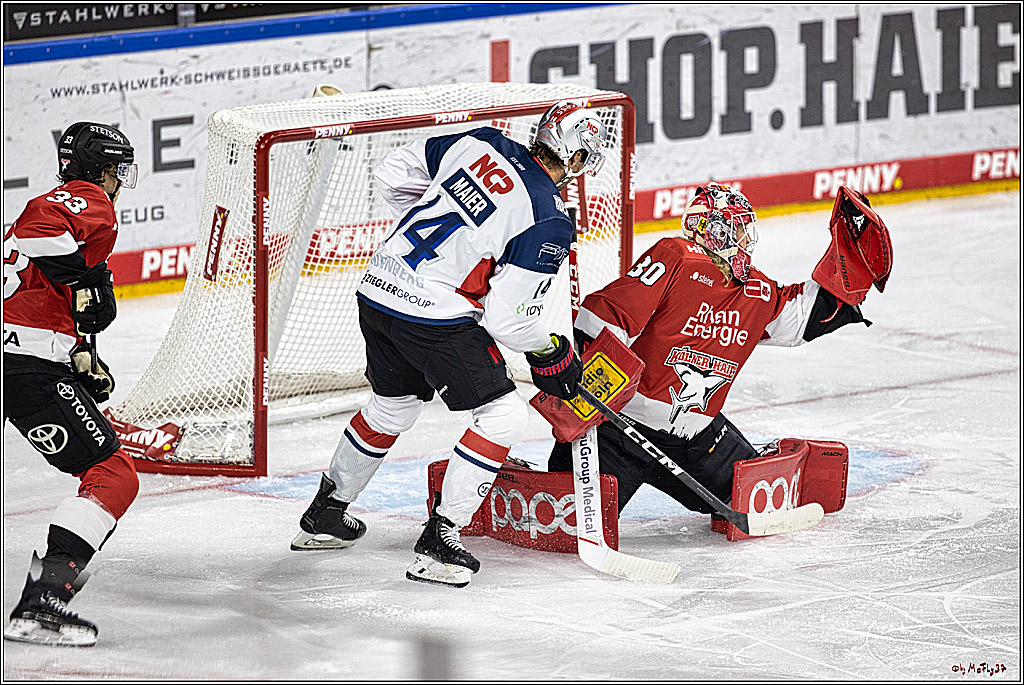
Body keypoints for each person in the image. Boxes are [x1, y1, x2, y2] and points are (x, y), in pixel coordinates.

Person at [290, 101, 609, 587]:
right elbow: (507, 320)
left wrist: (445, 242)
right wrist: (552, 350)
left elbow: (392, 172)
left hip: (379, 288)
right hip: (431, 316)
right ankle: (440, 541)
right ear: (578, 157)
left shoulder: (482, 142)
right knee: (503, 415)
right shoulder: (548, 217)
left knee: (392, 407)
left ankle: (326, 514)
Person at [548, 183, 881, 516]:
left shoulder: (757, 290)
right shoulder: (676, 256)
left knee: (752, 502)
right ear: (716, 230)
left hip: (694, 439)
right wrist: (587, 390)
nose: (748, 240)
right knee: (568, 518)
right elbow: (606, 315)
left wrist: (851, 265)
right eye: (740, 229)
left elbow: (803, 318)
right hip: (619, 430)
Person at [3, 122, 140, 646]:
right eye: (117, 170)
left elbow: (39, 288)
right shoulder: (86, 199)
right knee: (113, 474)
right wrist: (85, 278)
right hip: (24, 366)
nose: (120, 182)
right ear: (101, 169)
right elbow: (38, 227)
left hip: (26, 357)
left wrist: (78, 355)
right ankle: (43, 604)